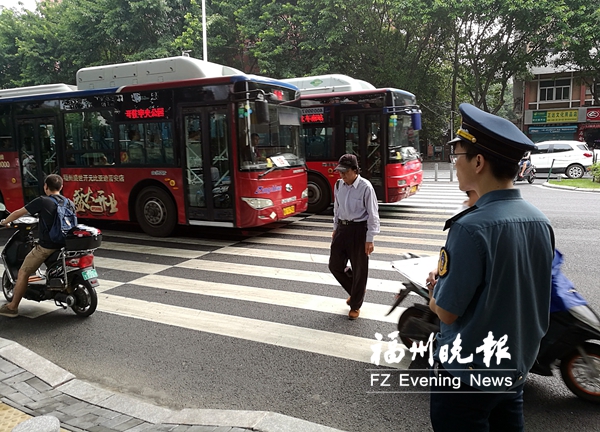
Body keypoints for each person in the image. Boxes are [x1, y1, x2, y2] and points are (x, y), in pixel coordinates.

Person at [426, 103, 554, 431]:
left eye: (458, 156)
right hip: (513, 371)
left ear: (478, 162)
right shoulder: (540, 222)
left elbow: (447, 313)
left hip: (466, 378)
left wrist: (434, 290)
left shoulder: (470, 228)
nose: (455, 165)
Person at [0, 174, 72, 318]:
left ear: (46, 187)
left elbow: (19, 213)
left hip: (47, 246)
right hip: (66, 245)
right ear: (61, 187)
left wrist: (5, 221)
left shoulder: (42, 201)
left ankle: (12, 307)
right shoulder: (68, 202)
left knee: (23, 272)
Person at [328, 154, 380, 320]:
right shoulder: (338, 185)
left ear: (355, 170)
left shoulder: (366, 187)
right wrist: (336, 228)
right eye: (340, 172)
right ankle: (356, 289)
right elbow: (337, 208)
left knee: (360, 269)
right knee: (335, 265)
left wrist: (370, 239)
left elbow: (373, 215)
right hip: (343, 228)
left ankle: (355, 304)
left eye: (345, 172)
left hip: (359, 230)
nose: (341, 175)